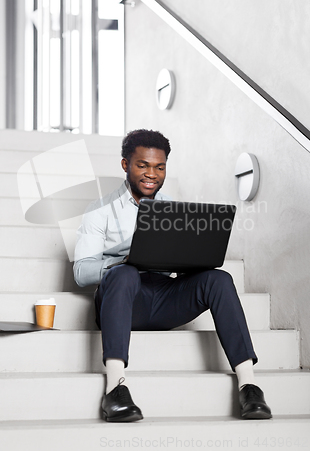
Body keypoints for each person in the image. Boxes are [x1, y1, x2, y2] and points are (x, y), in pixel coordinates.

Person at [74, 129, 272, 423]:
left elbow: (186, 266)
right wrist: (125, 258)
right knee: (124, 273)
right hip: (125, 301)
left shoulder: (172, 208)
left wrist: (194, 257)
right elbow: (81, 272)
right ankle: (115, 389)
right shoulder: (99, 211)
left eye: (159, 167)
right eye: (143, 165)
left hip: (165, 299)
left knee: (219, 279)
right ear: (125, 164)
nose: (151, 174)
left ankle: (249, 386)